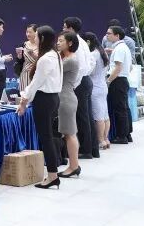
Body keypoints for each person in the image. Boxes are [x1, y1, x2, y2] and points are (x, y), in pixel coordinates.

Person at [18, 25, 63, 188]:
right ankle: (52, 174)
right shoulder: (54, 55)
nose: (34, 38)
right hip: (52, 98)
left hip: (44, 99)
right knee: (48, 136)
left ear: (42, 38)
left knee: (46, 138)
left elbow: (35, 83)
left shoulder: (45, 59)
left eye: (36, 36)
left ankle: (52, 175)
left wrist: (23, 101)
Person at [64, 17, 98, 159]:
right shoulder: (82, 42)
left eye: (65, 27)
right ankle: (93, 149)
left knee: (82, 117)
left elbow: (81, 67)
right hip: (85, 80)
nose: (63, 29)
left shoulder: (76, 43)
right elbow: (90, 63)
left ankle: (85, 150)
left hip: (80, 83)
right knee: (87, 116)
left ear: (71, 28)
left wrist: (73, 85)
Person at [57, 31, 83, 178]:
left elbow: (53, 70)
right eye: (58, 40)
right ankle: (74, 165)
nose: (58, 43)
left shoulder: (70, 60)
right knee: (69, 133)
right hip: (65, 97)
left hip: (66, 99)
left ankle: (73, 166)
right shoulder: (66, 58)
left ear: (70, 43)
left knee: (70, 134)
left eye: (61, 41)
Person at [105, 25, 134, 144]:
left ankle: (122, 136)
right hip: (122, 80)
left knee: (120, 109)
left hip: (118, 81)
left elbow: (118, 68)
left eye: (109, 33)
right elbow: (130, 67)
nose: (107, 36)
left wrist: (108, 81)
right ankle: (127, 134)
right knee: (124, 108)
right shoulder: (122, 47)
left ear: (117, 35)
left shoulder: (120, 49)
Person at [84, 32, 111, 150]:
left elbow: (89, 71)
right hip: (103, 85)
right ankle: (106, 139)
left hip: (95, 87)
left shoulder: (93, 55)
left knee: (98, 116)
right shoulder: (102, 52)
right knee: (105, 114)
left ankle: (100, 140)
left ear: (88, 42)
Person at [15, 24, 39, 92]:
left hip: (37, 74)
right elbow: (20, 61)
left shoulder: (41, 45)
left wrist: (33, 55)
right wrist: (19, 56)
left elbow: (43, 60)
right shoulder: (23, 45)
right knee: (24, 94)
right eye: (27, 32)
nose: (28, 34)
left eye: (30, 32)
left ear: (36, 33)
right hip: (25, 74)